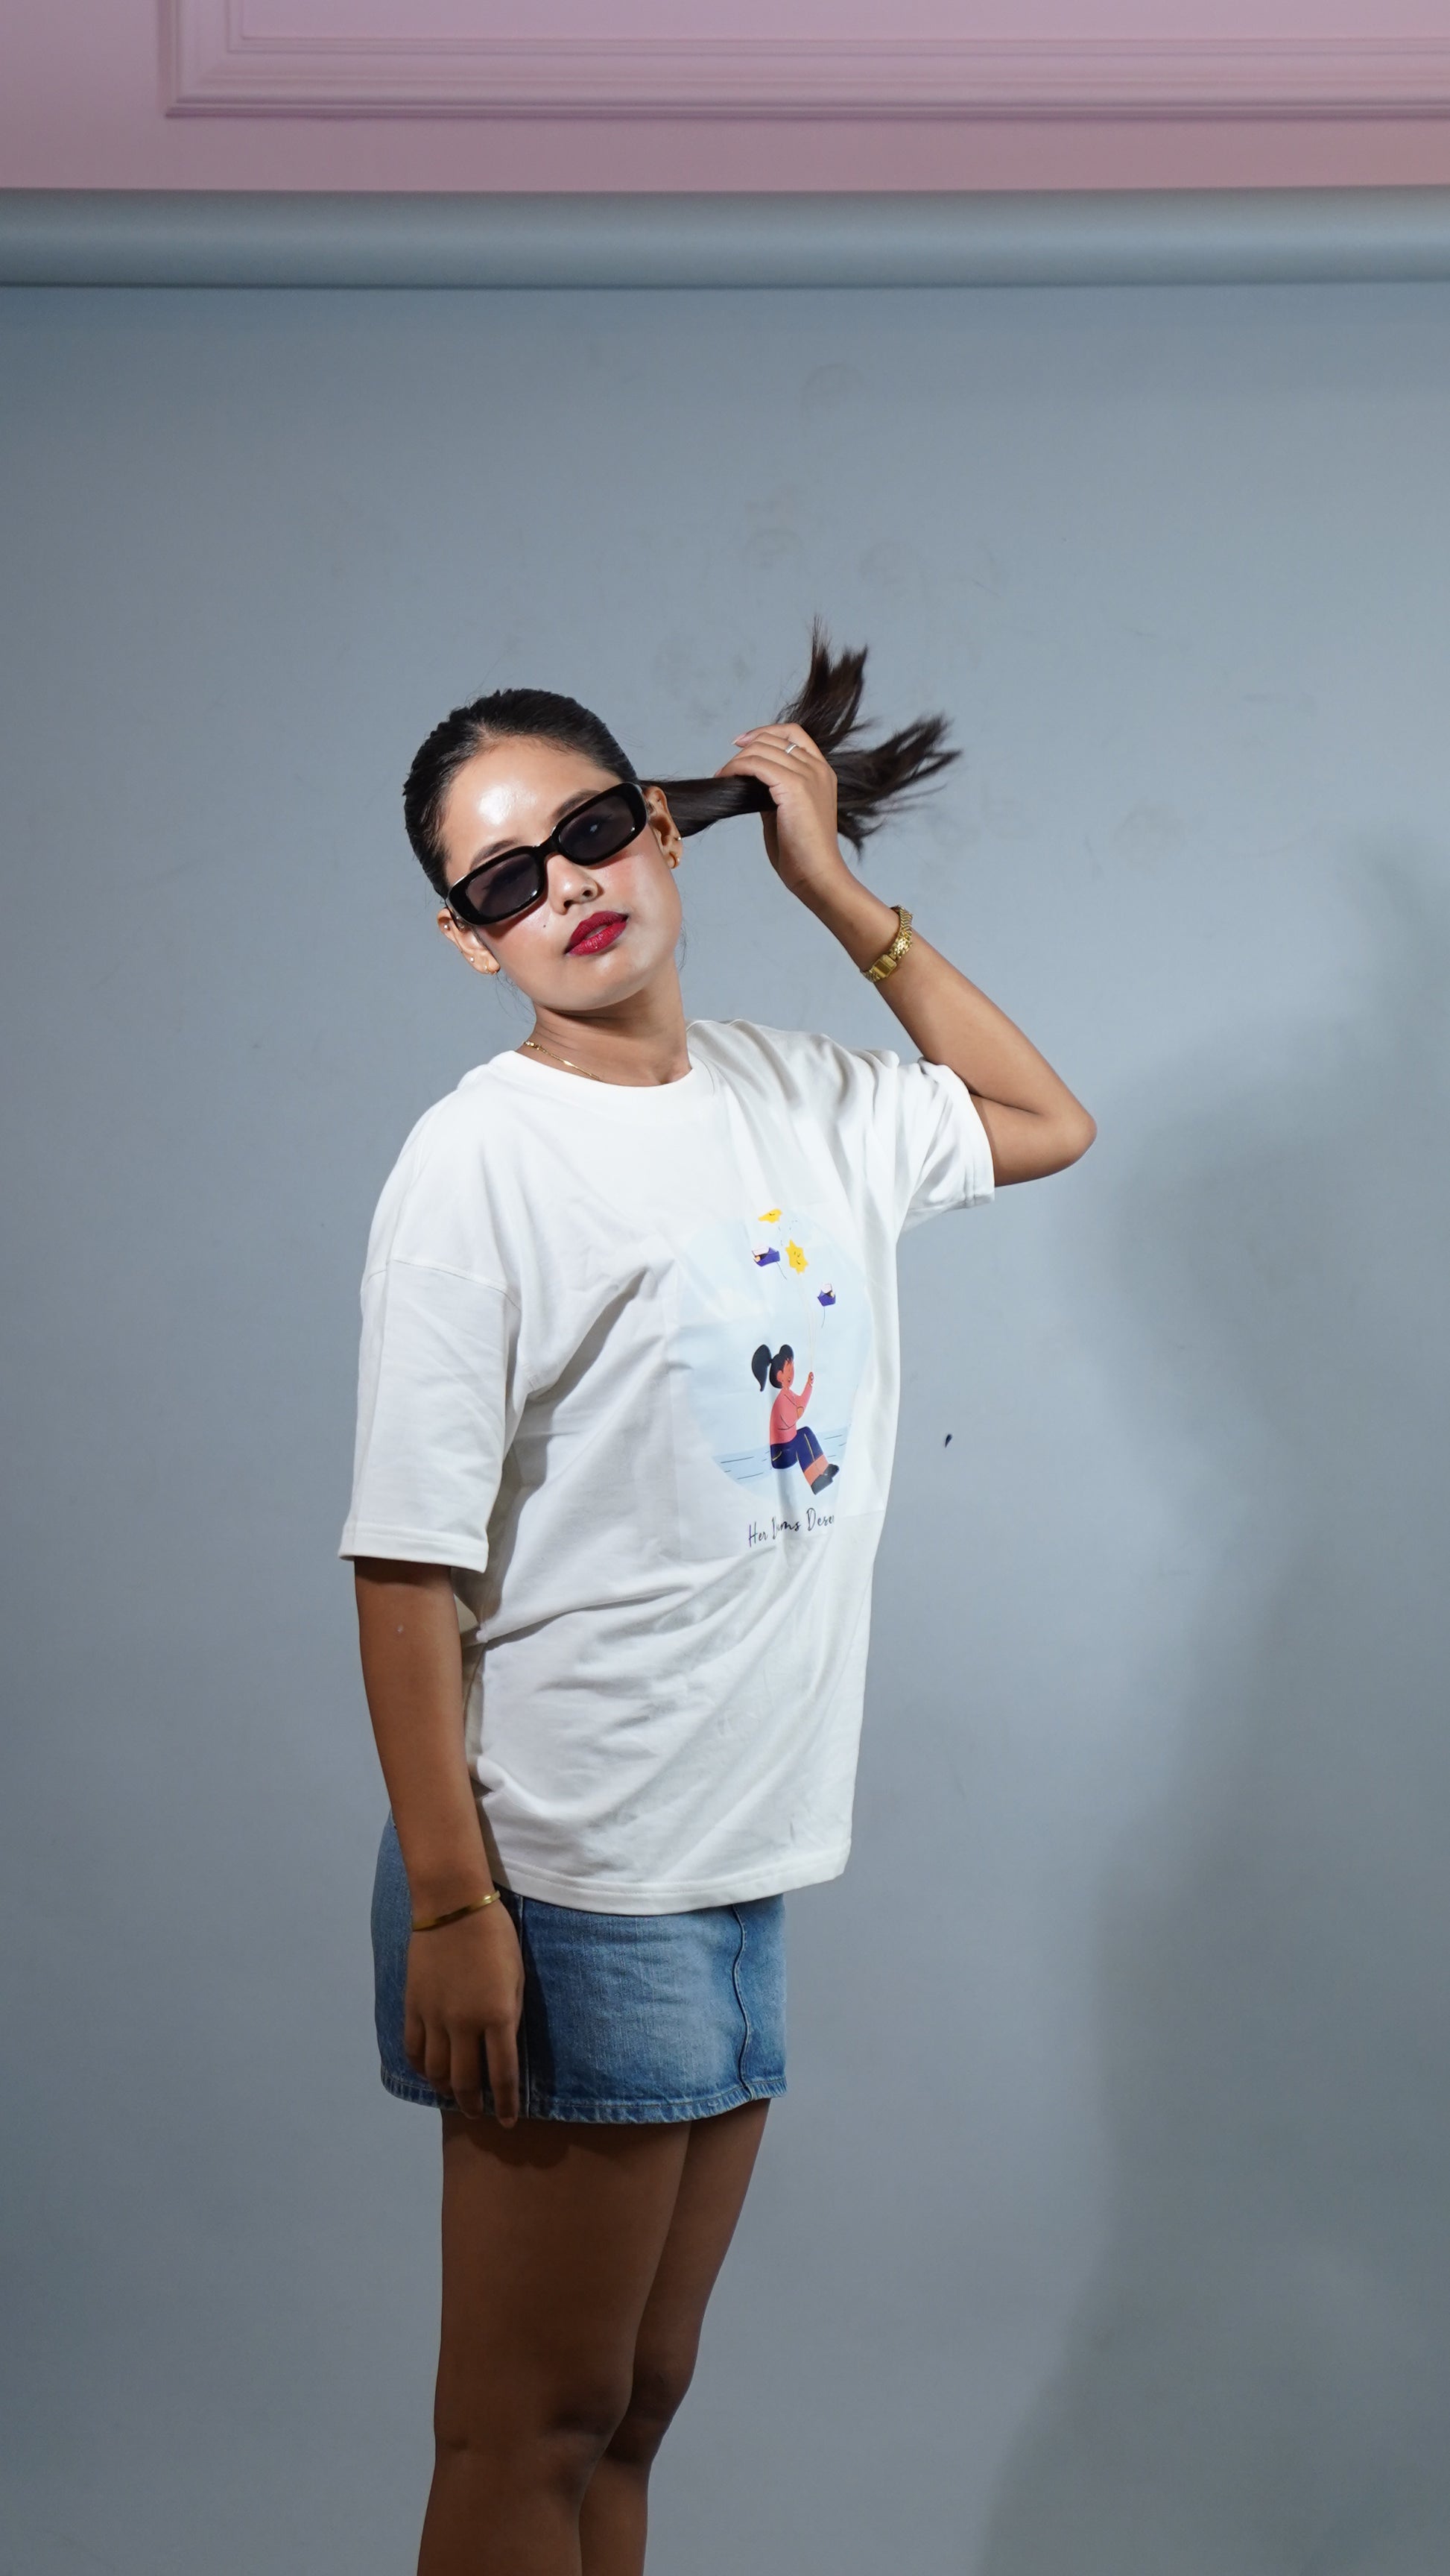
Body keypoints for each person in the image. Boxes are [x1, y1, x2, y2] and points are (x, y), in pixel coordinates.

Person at [341, 627, 1095, 2576]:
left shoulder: (802, 1098)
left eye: (592, 831)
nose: (565, 888)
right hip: (568, 1869)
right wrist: (456, 1904)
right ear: (468, 941)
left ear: (663, 829)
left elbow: (1042, 1121)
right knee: (527, 2428)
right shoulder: (479, 1163)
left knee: (634, 2407)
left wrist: (829, 885)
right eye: (504, 880)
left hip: (742, 1848)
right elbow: (406, 1564)